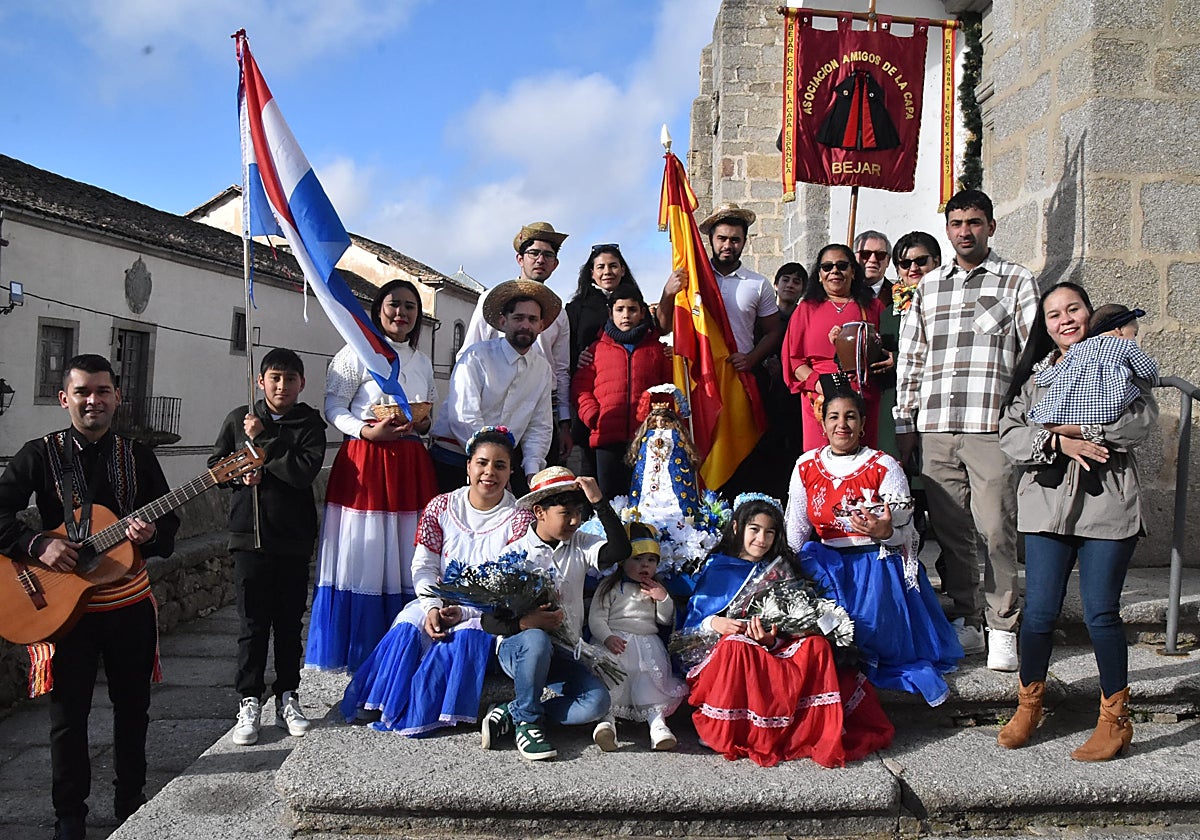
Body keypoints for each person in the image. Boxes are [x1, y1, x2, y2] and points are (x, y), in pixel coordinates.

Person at [0, 354, 180, 840]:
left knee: (133, 708)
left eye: (102, 391)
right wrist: (37, 543)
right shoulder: (38, 454)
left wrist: (149, 534)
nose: (93, 400)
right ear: (64, 399)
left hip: (128, 608)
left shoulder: (138, 456)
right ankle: (69, 818)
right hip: (64, 614)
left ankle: (130, 802)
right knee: (67, 718)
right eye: (82, 392)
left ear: (117, 397)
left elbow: (170, 528)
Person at [996, 283, 1157, 761]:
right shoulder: (1037, 377)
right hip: (1046, 505)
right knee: (1041, 612)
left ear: (1090, 315)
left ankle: (1115, 721)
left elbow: (1139, 423)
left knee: (1101, 614)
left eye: (1074, 310)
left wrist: (1078, 428)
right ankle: (1029, 705)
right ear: (1043, 327)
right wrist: (1057, 444)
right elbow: (1011, 433)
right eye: (1053, 315)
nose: (1064, 320)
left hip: (1107, 505)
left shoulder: (1120, 364)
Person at [894, 188, 1040, 672]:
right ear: (949, 229)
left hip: (990, 426)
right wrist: (907, 423)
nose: (965, 231)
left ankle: (1003, 623)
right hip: (936, 425)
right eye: (957, 223)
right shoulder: (929, 286)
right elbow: (912, 359)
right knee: (952, 532)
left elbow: (1031, 356)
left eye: (974, 222)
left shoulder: (1016, 280)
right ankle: (968, 615)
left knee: (996, 528)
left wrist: (1022, 417)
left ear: (990, 226)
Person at [338, 427, 534, 734]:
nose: (489, 473)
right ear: (468, 465)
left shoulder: (519, 517)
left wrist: (466, 611)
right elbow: (425, 564)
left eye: (500, 465)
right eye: (482, 463)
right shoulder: (441, 507)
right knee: (409, 623)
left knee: (462, 636)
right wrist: (431, 607)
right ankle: (378, 700)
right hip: (439, 597)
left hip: (486, 611)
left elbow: (509, 583)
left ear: (511, 471)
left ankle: (427, 709)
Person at [680, 495, 894, 768]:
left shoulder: (784, 570)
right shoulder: (719, 567)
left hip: (773, 648)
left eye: (770, 532)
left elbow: (794, 618)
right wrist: (715, 623)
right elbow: (692, 622)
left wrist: (774, 637)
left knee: (816, 646)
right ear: (736, 528)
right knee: (737, 645)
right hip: (729, 652)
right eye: (754, 529)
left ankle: (807, 729)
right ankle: (728, 730)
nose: (762, 539)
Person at [785, 388, 963, 707]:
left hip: (876, 566)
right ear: (823, 424)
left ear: (863, 423)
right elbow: (796, 529)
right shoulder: (806, 465)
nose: (842, 425)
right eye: (834, 417)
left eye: (851, 416)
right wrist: (785, 578)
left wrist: (886, 531)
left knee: (868, 639)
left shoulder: (883, 465)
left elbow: (906, 532)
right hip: (826, 565)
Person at [306, 279, 438, 673]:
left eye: (410, 307)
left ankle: (405, 642)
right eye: (394, 305)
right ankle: (360, 647)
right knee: (364, 552)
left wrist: (423, 422)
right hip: (366, 462)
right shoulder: (356, 353)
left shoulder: (422, 360)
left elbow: (428, 412)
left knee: (404, 552)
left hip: (410, 467)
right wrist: (365, 430)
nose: (401, 313)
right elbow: (332, 405)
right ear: (379, 309)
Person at [209, 348, 327, 747]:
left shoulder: (309, 423)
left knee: (289, 623)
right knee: (252, 624)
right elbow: (216, 467)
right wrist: (238, 478)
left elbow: (301, 472)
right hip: (249, 537)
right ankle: (249, 700)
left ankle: (288, 696)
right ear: (261, 381)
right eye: (275, 378)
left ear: (302, 384)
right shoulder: (237, 419)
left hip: (292, 538)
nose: (282, 385)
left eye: (290, 379)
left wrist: (266, 443)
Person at [479, 468, 631, 761]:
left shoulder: (581, 542)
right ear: (539, 512)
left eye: (579, 512)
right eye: (566, 513)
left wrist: (599, 502)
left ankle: (516, 711)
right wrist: (526, 622)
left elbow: (619, 550)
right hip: (521, 653)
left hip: (565, 652)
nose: (574, 520)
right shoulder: (516, 554)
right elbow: (488, 620)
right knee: (536, 639)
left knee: (597, 703)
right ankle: (530, 725)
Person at [655, 202, 782, 496]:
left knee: (741, 455)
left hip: (740, 379)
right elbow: (663, 326)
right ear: (711, 239)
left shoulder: (758, 284)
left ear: (744, 242)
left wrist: (752, 358)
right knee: (700, 448)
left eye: (735, 239)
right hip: (700, 379)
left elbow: (774, 331)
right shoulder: (691, 280)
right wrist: (668, 292)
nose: (728, 245)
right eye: (722, 238)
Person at [429, 280, 560, 497]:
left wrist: (532, 471)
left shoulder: (542, 369)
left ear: (541, 326)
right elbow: (464, 416)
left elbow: (539, 425)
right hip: (454, 457)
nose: (525, 325)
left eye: (532, 319)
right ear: (503, 321)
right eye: (518, 318)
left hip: (501, 468)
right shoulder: (476, 357)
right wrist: (488, 462)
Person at [460, 222, 574, 466]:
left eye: (548, 255)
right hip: (494, 409)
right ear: (520, 258)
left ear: (555, 264)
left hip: (541, 410)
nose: (540, 260)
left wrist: (563, 422)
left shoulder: (559, 313)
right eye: (534, 253)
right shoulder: (491, 300)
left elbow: (562, 369)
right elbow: (468, 353)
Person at [587, 522, 689, 751]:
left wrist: (663, 599)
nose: (645, 565)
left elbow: (663, 620)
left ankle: (657, 725)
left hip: (646, 645)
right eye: (637, 559)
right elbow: (596, 618)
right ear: (623, 562)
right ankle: (606, 722)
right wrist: (606, 638)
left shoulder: (655, 588)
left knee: (648, 681)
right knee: (612, 680)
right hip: (615, 643)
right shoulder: (610, 587)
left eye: (651, 560)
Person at [782, 243, 892, 451]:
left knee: (863, 464)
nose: (834, 271)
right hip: (820, 397)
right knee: (821, 462)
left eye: (842, 265)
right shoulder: (806, 309)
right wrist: (820, 384)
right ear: (819, 274)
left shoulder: (873, 307)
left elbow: (885, 348)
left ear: (853, 271)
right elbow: (794, 360)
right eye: (827, 267)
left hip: (863, 395)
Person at [572, 283, 672, 498]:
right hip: (606, 437)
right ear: (611, 312)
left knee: (647, 499)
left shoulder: (657, 350)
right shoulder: (596, 348)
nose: (626, 315)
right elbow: (581, 387)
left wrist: (658, 421)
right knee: (608, 499)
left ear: (642, 312)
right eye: (620, 309)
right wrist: (593, 416)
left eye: (632, 309)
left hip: (647, 439)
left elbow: (668, 388)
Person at [566, 243, 641, 477]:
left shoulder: (635, 303)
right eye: (601, 267)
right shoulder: (576, 308)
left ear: (622, 270)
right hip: (594, 401)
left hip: (632, 409)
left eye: (613, 266)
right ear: (592, 273)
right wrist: (577, 358)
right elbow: (565, 350)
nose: (607, 271)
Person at [1026, 304, 1159, 427]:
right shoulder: (1126, 345)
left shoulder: (1079, 347)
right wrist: (1154, 380)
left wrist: (1040, 378)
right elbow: (1146, 368)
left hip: (1076, 403)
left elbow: (1061, 368)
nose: (1134, 338)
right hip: (1104, 402)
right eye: (1134, 333)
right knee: (1112, 411)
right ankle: (1079, 431)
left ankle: (1059, 427)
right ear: (1118, 330)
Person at [758, 263, 808, 502]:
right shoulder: (762, 319)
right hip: (766, 396)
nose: (790, 285)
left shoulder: (804, 318)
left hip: (794, 400)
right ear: (776, 285)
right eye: (785, 279)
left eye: (796, 282)